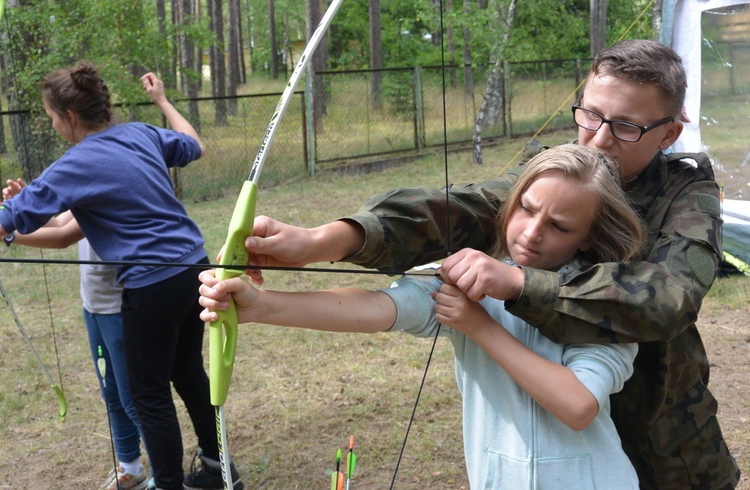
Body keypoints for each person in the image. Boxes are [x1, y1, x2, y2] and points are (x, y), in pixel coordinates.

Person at [228, 39, 740, 489]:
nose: (598, 139)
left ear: (668, 135)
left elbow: (667, 299)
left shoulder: (686, 194)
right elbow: (459, 210)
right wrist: (323, 242)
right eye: (589, 114)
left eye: (626, 126)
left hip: (666, 446)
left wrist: (516, 284)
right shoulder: (560, 177)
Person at [198, 145, 644, 488]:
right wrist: (264, 306)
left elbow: (579, 405)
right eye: (526, 208)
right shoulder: (473, 274)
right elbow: (383, 307)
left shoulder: (604, 299)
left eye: (560, 226)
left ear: (588, 238)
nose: (532, 232)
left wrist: (479, 327)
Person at [0, 64, 243, 490]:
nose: (53, 124)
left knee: (149, 396)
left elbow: (10, 218)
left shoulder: (77, 163)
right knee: (187, 372)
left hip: (152, 286)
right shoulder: (141, 134)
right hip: (194, 270)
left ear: (70, 116)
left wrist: (11, 221)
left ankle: (170, 484)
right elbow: (193, 146)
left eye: (52, 117)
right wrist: (163, 103)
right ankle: (219, 469)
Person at [0, 195, 148, 490]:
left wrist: (9, 232)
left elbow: (63, 236)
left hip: (120, 308)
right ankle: (131, 466)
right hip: (93, 305)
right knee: (112, 395)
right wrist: (25, 203)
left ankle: (164, 473)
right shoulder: (86, 182)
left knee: (135, 400)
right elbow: (57, 220)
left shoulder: (108, 179)